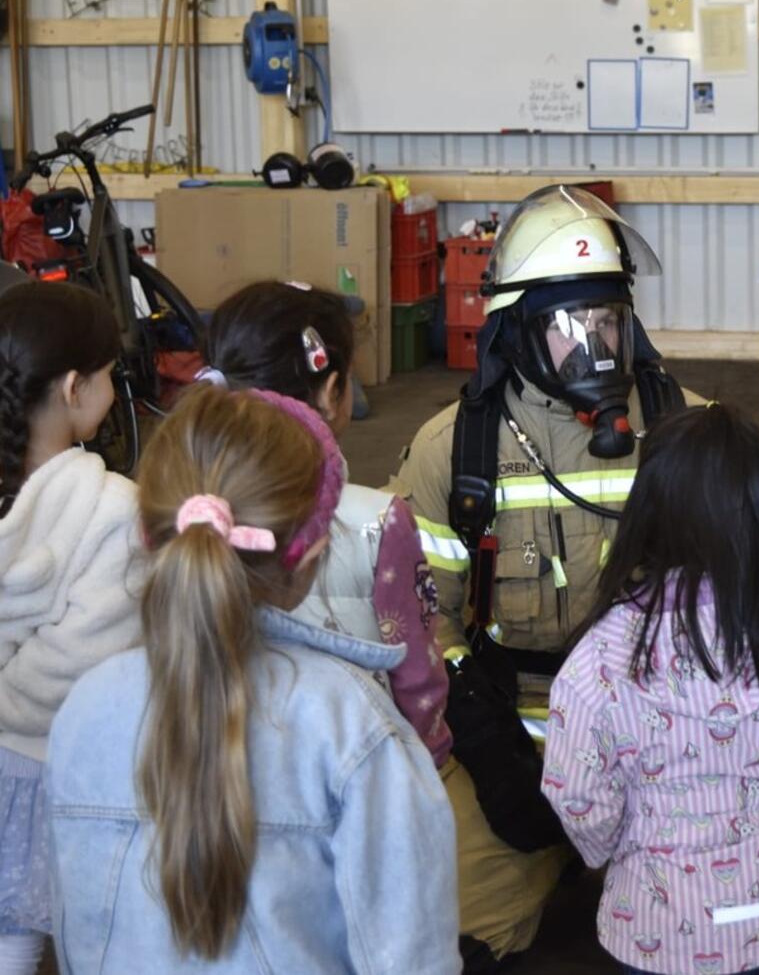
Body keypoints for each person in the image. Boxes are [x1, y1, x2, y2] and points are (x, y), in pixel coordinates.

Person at [46, 385, 461, 971]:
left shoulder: (82, 711)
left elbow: (75, 934)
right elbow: (413, 956)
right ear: (312, 556)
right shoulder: (356, 729)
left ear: (149, 536)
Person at [392, 185, 701, 968]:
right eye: (570, 329)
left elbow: (753, 606)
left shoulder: (692, 435)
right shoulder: (453, 454)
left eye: (608, 324)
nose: (597, 350)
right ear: (517, 335)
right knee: (451, 928)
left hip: (663, 743)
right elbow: (418, 615)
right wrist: (489, 745)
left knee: (716, 925)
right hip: (518, 739)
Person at [541, 403, 759, 975]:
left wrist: (624, 843)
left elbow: (575, 792)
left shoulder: (605, 649)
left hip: (653, 927)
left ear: (651, 508)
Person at [205, 280, 450, 765]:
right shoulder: (377, 523)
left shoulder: (176, 507)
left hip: (217, 764)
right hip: (358, 772)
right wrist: (434, 759)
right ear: (333, 391)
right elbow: (418, 682)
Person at [0, 281, 141, 975]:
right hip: (46, 773)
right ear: (75, 386)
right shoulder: (112, 509)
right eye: (112, 376)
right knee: (52, 934)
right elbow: (85, 663)